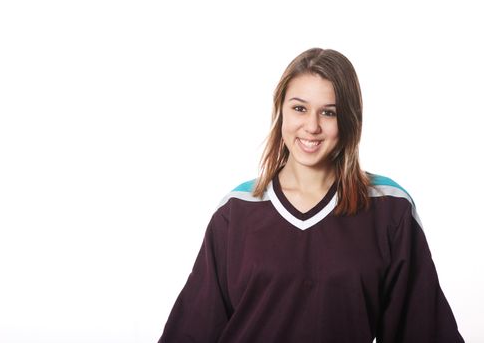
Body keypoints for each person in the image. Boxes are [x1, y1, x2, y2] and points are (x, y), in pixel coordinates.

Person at [158, 48, 465, 342]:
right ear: (281, 110)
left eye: (328, 112)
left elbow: (422, 329)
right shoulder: (238, 210)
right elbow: (194, 328)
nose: (312, 126)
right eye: (300, 108)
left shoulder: (388, 208)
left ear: (349, 120)